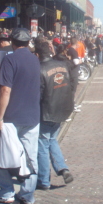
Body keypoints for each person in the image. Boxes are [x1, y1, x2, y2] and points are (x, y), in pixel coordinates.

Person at [0, 28, 40, 204]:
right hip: (32, 116)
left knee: (2, 155)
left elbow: (5, 90)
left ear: (12, 42)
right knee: (30, 156)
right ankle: (28, 194)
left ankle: (6, 191)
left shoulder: (9, 59)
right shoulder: (35, 60)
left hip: (12, 116)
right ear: (28, 42)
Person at [35, 42, 74, 190]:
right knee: (52, 141)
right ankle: (62, 168)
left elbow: (38, 94)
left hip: (46, 112)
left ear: (37, 55)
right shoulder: (62, 65)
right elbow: (71, 85)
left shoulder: (39, 69)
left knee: (43, 146)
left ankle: (44, 181)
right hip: (61, 110)